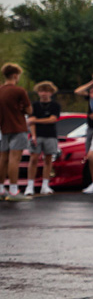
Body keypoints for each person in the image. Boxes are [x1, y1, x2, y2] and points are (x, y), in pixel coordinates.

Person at [1, 62, 33, 201]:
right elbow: (29, 110)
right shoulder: (19, 91)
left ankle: (1, 188)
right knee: (15, 159)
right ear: (15, 75)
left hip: (4, 128)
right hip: (18, 127)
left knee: (3, 159)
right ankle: (14, 190)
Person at [25, 80, 61, 195]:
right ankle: (30, 186)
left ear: (51, 92)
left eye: (46, 91)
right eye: (41, 91)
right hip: (37, 135)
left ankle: (45, 185)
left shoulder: (55, 105)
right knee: (33, 159)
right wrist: (33, 135)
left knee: (48, 159)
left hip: (50, 135)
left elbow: (53, 119)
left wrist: (37, 120)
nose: (43, 93)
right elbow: (31, 122)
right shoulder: (34, 105)